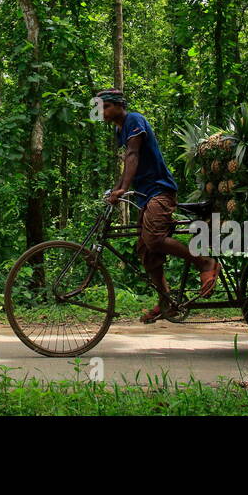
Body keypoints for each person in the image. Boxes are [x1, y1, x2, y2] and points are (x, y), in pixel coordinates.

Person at [95, 88, 219, 321]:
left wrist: (123, 188)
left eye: (105, 106)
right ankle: (166, 302)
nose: (102, 111)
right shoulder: (119, 130)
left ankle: (205, 262)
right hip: (146, 195)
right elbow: (126, 162)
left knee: (154, 238)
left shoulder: (134, 119)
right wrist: (116, 188)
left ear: (119, 105)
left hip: (160, 190)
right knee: (146, 250)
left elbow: (133, 155)